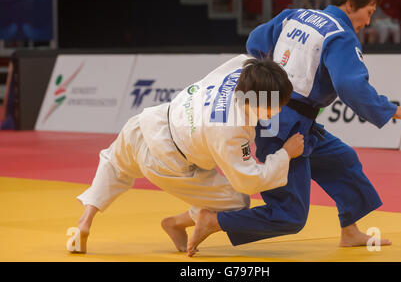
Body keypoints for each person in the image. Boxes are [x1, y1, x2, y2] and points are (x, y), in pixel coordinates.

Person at [187, 0, 401, 257]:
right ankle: (214, 220)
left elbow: (255, 42)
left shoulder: (294, 15)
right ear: (350, 5)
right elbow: (350, 85)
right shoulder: (340, 35)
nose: (368, 21)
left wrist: (273, 83)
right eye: (369, 11)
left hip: (286, 117)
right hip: (288, 126)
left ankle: (350, 231)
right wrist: (390, 109)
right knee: (290, 214)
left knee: (342, 160)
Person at [70, 55, 304, 254]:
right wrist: (285, 154)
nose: (280, 110)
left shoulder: (244, 67)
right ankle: (176, 222)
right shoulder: (229, 129)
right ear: (258, 99)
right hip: (165, 161)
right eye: (276, 105)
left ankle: (85, 220)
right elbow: (248, 180)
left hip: (147, 122)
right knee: (236, 201)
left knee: (113, 162)